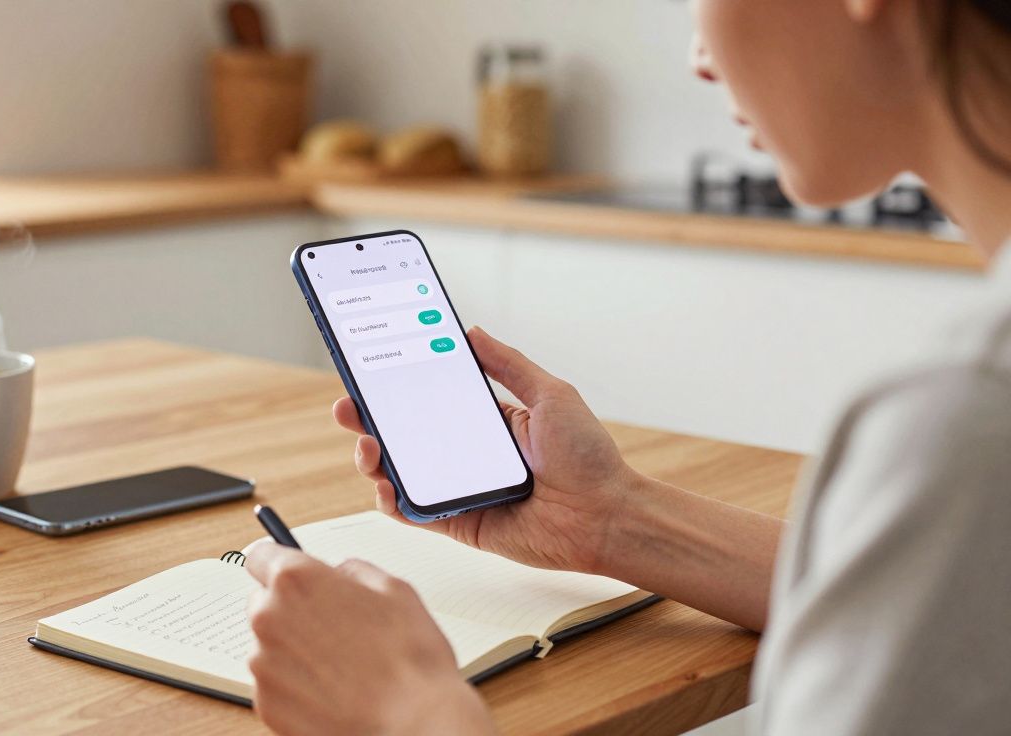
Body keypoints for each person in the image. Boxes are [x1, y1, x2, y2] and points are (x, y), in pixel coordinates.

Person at [243, 0, 1011, 733]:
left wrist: (406, 713)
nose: (699, 59)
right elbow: (969, 609)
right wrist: (609, 519)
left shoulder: (964, 415)